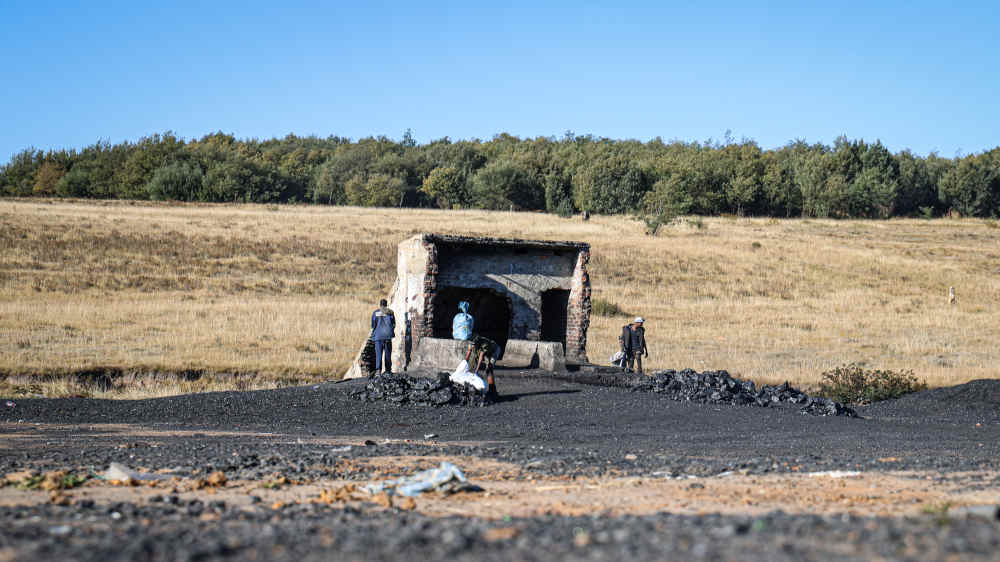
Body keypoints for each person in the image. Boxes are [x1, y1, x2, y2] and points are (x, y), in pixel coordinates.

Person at [370, 299, 395, 375]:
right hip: (388, 336)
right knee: (387, 353)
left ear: (380, 305)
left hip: (378, 336)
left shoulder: (375, 313)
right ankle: (388, 370)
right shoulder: (390, 313)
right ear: (386, 305)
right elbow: (394, 324)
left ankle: (378, 370)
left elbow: (373, 325)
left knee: (379, 354)